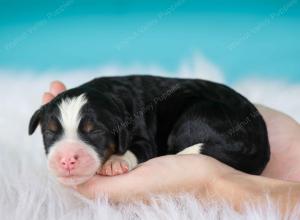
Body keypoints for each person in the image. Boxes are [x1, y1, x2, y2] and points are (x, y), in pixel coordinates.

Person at [43, 81, 300, 214]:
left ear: (119, 128)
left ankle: (207, 153)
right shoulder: (110, 106)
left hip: (217, 117)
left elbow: (142, 141)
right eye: (52, 133)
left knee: (178, 132)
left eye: (92, 133)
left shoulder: (126, 115)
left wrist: (204, 181)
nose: (67, 157)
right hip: (234, 130)